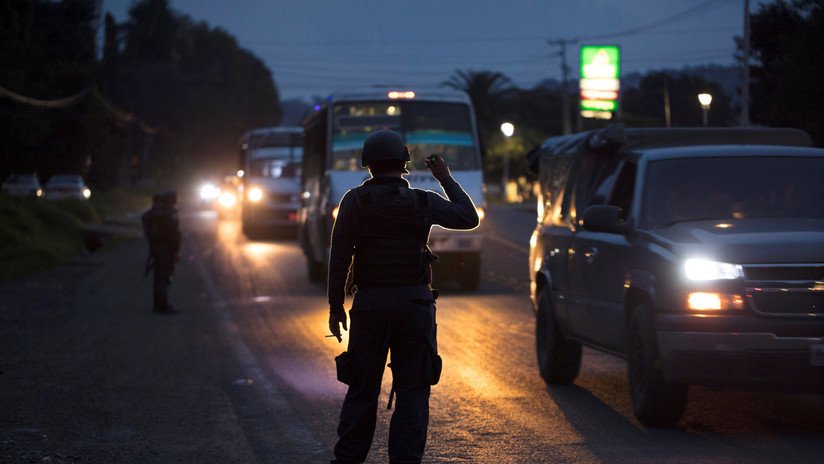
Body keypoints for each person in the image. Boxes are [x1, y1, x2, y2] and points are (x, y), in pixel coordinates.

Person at [328, 130, 479, 464]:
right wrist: (446, 180)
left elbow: (339, 257)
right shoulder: (422, 201)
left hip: (370, 306)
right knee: (413, 393)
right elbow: (469, 218)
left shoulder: (354, 201)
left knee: (362, 390)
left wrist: (336, 306)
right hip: (414, 307)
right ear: (404, 162)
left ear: (368, 164)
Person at [141, 190, 181, 314]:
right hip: (165, 248)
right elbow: (174, 234)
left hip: (158, 248)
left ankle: (158, 305)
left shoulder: (156, 213)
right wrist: (176, 250)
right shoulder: (167, 214)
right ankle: (162, 306)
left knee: (159, 277)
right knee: (163, 277)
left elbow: (145, 218)